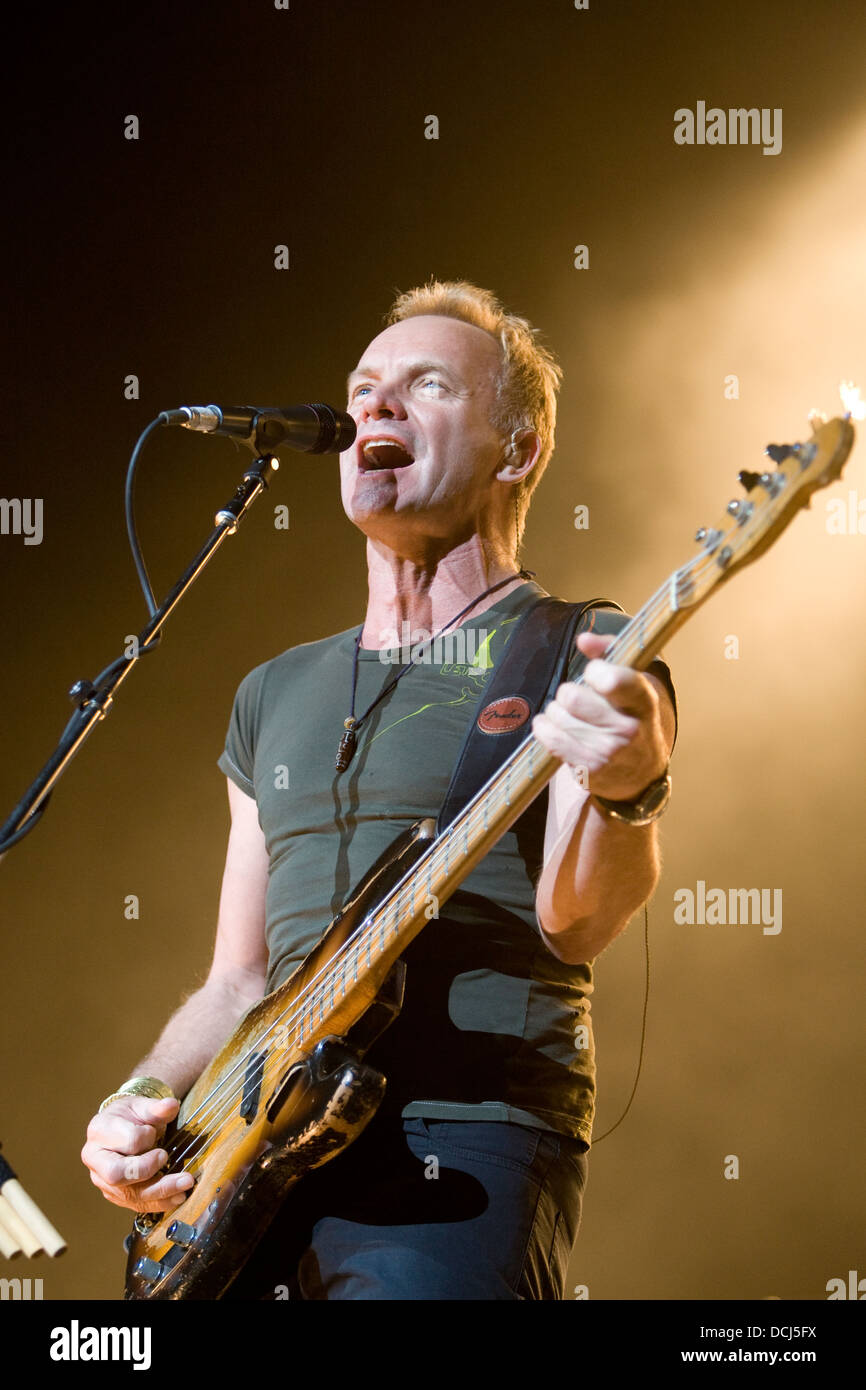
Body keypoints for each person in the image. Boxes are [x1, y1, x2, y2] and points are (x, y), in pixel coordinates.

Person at [81, 280, 677, 1300]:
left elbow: (573, 926)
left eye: (426, 384)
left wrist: (628, 787)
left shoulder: (575, 650)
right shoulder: (274, 689)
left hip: (456, 1138)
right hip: (243, 1154)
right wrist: (148, 1097)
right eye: (363, 389)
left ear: (518, 449)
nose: (376, 408)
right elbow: (238, 978)